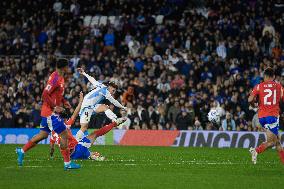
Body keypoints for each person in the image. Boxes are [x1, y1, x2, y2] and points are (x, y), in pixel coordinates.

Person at [16, 58, 81, 170]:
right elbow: (45, 94)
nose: (69, 68)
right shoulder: (55, 78)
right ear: (64, 67)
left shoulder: (59, 77)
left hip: (47, 112)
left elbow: (56, 94)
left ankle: (22, 151)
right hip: (51, 113)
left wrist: (64, 102)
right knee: (64, 135)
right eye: (68, 66)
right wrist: (55, 107)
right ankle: (67, 164)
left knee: (43, 135)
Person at [49, 92, 126, 160]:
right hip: (78, 149)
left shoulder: (52, 133)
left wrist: (52, 153)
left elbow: (52, 146)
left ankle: (92, 155)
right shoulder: (65, 125)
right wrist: (81, 102)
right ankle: (115, 123)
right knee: (96, 133)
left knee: (85, 149)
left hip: (71, 157)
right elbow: (75, 114)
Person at [76, 68, 127, 141]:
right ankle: (75, 141)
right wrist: (123, 107)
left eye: (115, 91)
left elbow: (92, 80)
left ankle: (115, 119)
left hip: (92, 106)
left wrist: (84, 73)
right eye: (113, 90)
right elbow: (114, 101)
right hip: (86, 107)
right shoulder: (105, 92)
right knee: (84, 127)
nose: (113, 92)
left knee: (105, 107)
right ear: (109, 87)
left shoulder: (101, 85)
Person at [248, 67, 284, 164]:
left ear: (265, 76)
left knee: (277, 141)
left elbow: (250, 99)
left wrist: (254, 105)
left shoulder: (259, 86)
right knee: (272, 142)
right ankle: (256, 150)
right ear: (273, 76)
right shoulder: (279, 86)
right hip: (272, 116)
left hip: (261, 117)